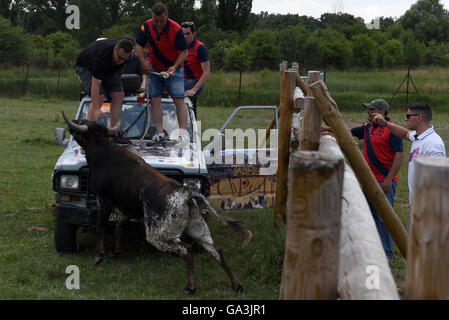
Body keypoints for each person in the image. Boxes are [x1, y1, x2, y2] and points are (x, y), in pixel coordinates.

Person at [372, 102, 446, 224]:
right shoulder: (418, 136)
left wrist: (423, 201)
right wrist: (385, 124)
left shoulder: (433, 144)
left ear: (419, 117)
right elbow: (405, 134)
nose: (405, 119)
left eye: (408, 115)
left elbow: (438, 180)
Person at [350, 99, 404, 260]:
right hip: (368, 180)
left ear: (381, 112)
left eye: (371, 109)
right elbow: (347, 132)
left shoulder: (391, 129)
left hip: (383, 181)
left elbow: (399, 155)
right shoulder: (367, 128)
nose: (368, 111)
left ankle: (387, 253)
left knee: (384, 217)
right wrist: (324, 129)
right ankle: (374, 247)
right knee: (368, 214)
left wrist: (388, 180)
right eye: (368, 109)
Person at [136, 2, 189, 143]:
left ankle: (182, 133)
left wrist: (175, 67)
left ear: (167, 16)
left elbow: (184, 53)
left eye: (161, 21)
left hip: (173, 69)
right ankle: (159, 133)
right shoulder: (145, 26)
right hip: (154, 69)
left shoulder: (176, 29)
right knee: (154, 99)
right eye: (156, 20)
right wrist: (143, 62)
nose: (158, 24)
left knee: (179, 99)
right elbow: (139, 46)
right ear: (152, 17)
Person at [76, 37, 134, 145]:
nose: (121, 61)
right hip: (85, 67)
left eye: (124, 59)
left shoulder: (126, 56)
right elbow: (95, 86)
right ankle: (90, 134)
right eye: (119, 57)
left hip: (109, 69)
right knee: (100, 97)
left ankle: (114, 133)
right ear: (115, 49)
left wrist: (115, 86)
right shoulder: (101, 58)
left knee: (119, 94)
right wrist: (98, 108)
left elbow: (119, 70)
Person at [181, 21, 211, 118]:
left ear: (194, 34)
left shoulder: (200, 47)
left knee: (188, 109)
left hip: (193, 81)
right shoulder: (179, 46)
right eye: (183, 34)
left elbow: (207, 72)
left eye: (188, 34)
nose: (185, 36)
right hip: (181, 79)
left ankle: (192, 129)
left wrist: (194, 89)